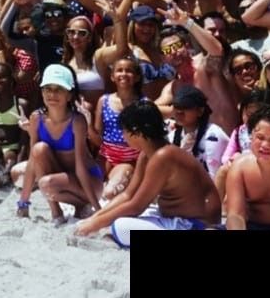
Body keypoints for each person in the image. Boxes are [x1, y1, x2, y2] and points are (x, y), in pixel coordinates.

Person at [74, 101, 221, 244]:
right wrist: (94, 218)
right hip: (176, 218)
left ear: (136, 132)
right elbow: (128, 195)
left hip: (196, 224)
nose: (123, 136)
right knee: (114, 221)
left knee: (120, 227)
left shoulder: (163, 157)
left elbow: (136, 206)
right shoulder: (148, 154)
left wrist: (95, 225)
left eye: (124, 131)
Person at [17, 64, 103, 224]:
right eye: (47, 89)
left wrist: (98, 209)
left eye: (58, 89)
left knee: (46, 183)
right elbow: (32, 161)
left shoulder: (77, 121)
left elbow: (81, 166)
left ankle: (85, 204)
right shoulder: (36, 118)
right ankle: (56, 213)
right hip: (61, 179)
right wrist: (23, 202)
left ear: (69, 95)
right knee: (38, 150)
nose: (52, 94)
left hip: (89, 181)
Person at [93, 57, 144, 200]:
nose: (123, 74)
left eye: (129, 71)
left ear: (137, 77)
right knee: (88, 189)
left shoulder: (143, 104)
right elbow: (98, 135)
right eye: (119, 70)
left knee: (109, 192)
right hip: (105, 157)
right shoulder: (103, 101)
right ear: (112, 76)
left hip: (129, 159)